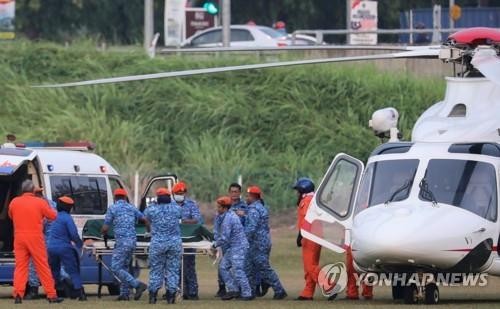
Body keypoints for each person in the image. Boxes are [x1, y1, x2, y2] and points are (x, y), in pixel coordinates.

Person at [8, 179, 63, 304]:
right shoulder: (40, 202)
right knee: (42, 266)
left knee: (20, 267)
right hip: (35, 237)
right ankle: (51, 295)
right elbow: (53, 216)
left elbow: (11, 216)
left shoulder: (14, 202)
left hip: (19, 238)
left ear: (22, 190)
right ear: (33, 190)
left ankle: (18, 295)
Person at [102, 188, 148, 301]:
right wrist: (149, 231)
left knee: (115, 267)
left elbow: (105, 228)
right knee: (124, 267)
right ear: (125, 197)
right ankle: (124, 294)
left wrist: (103, 233)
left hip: (122, 242)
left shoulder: (113, 208)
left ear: (115, 197)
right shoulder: (131, 207)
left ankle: (137, 285)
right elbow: (145, 219)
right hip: (132, 242)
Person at [25, 187, 69, 300]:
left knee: (34, 264)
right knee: (56, 264)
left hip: (43, 240)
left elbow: (41, 223)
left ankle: (33, 291)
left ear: (35, 195)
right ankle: (65, 286)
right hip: (57, 239)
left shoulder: (38, 205)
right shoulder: (52, 203)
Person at [244, 186, 287, 300]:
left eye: (247, 196)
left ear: (253, 196)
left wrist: (242, 239)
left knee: (263, 268)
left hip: (258, 244)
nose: (246, 198)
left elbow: (251, 228)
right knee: (249, 267)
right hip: (258, 243)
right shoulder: (260, 207)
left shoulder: (254, 210)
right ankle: (250, 292)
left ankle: (279, 290)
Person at [144, 188, 182, 304]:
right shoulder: (176, 208)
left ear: (158, 198)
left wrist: (149, 230)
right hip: (174, 243)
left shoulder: (152, 209)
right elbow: (181, 213)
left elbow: (145, 218)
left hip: (157, 243)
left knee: (156, 270)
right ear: (169, 198)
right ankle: (170, 298)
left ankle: (153, 297)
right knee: (173, 270)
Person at [47, 196, 86, 301]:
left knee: (54, 271)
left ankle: (56, 291)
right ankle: (80, 292)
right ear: (69, 207)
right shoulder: (67, 218)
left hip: (50, 247)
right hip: (64, 248)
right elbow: (73, 234)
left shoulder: (53, 216)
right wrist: (79, 244)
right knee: (73, 270)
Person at [214, 196, 253, 301]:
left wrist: (214, 245)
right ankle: (233, 290)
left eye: (219, 207)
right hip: (233, 247)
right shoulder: (224, 215)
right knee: (223, 267)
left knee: (238, 269)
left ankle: (247, 293)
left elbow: (224, 238)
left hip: (239, 247)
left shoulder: (229, 218)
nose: (217, 209)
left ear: (224, 208)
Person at [293, 177, 324, 301]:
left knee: (310, 265)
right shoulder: (312, 199)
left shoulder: (308, 200)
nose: (296, 193)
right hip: (312, 236)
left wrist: (300, 235)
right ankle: (307, 292)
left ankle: (329, 285)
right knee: (310, 266)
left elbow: (307, 219)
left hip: (310, 236)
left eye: (298, 190)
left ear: (303, 189)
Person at [172, 181, 203, 300]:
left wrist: (185, 221)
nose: (179, 194)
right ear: (173, 193)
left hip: (188, 239)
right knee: (174, 267)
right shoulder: (170, 204)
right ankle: (176, 291)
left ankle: (193, 292)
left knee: (189, 266)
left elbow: (197, 220)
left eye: (181, 193)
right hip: (174, 239)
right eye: (177, 193)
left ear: (185, 193)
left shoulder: (191, 204)